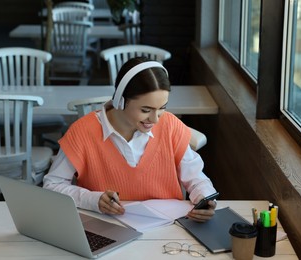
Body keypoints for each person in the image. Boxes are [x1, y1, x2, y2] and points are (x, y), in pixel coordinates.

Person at [43, 57, 217, 222]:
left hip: (167, 230)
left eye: (162, 108)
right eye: (146, 109)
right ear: (120, 101)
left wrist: (204, 198)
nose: (155, 119)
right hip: (106, 227)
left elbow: (196, 178)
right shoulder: (82, 132)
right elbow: (52, 185)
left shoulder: (170, 125)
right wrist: (92, 200)